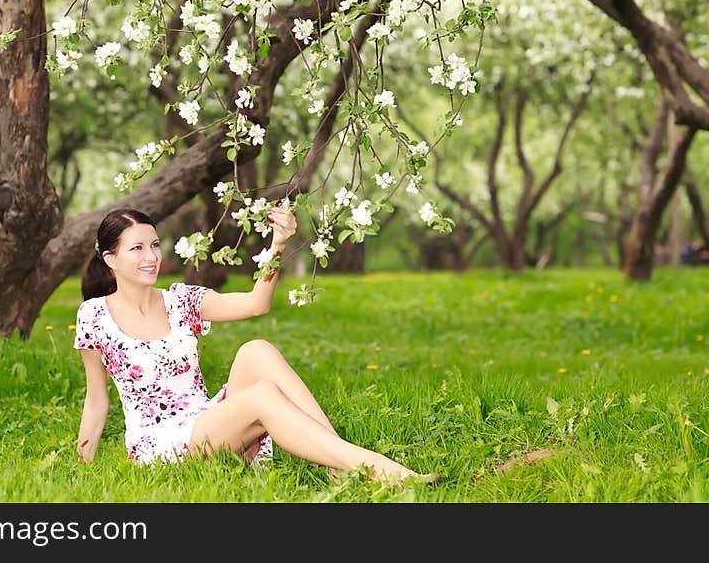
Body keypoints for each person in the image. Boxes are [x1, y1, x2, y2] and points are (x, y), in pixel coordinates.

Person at [73, 205, 440, 485]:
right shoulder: (95, 317)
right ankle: (383, 471)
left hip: (208, 422)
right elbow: (96, 400)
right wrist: (82, 470)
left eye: (153, 245)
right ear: (110, 259)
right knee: (262, 394)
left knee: (257, 350)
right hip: (161, 445)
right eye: (136, 248)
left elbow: (256, 304)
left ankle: (335, 465)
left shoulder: (180, 301)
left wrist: (278, 244)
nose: (151, 257)